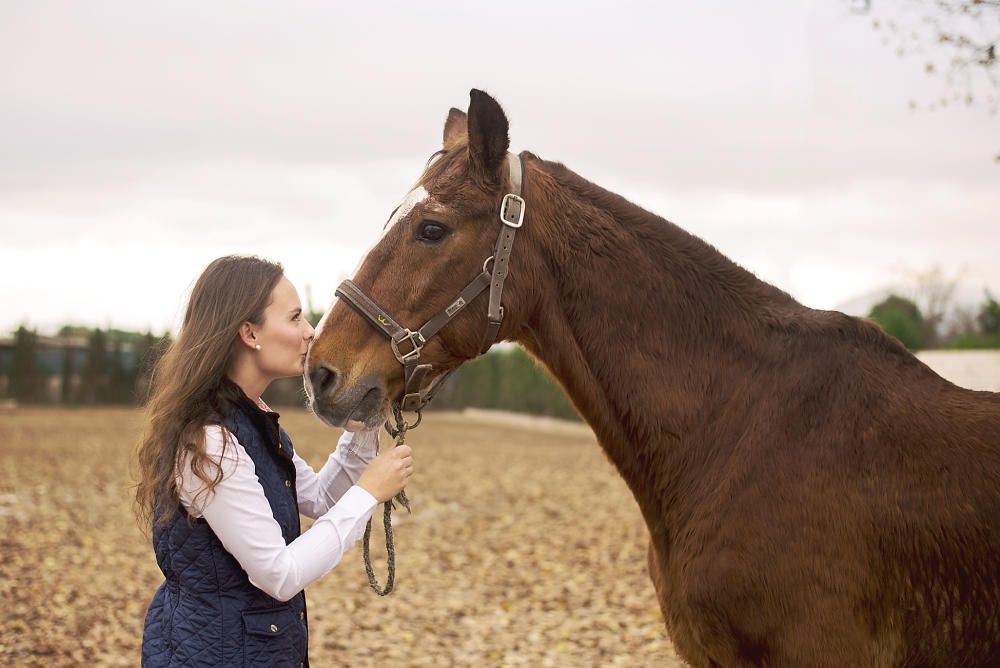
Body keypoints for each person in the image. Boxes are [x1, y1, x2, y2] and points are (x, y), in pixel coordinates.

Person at [134, 255, 414, 667]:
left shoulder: (250, 419)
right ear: (249, 333)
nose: (310, 332)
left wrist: (365, 428)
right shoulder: (210, 441)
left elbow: (318, 498)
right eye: (296, 318)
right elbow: (278, 575)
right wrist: (368, 492)